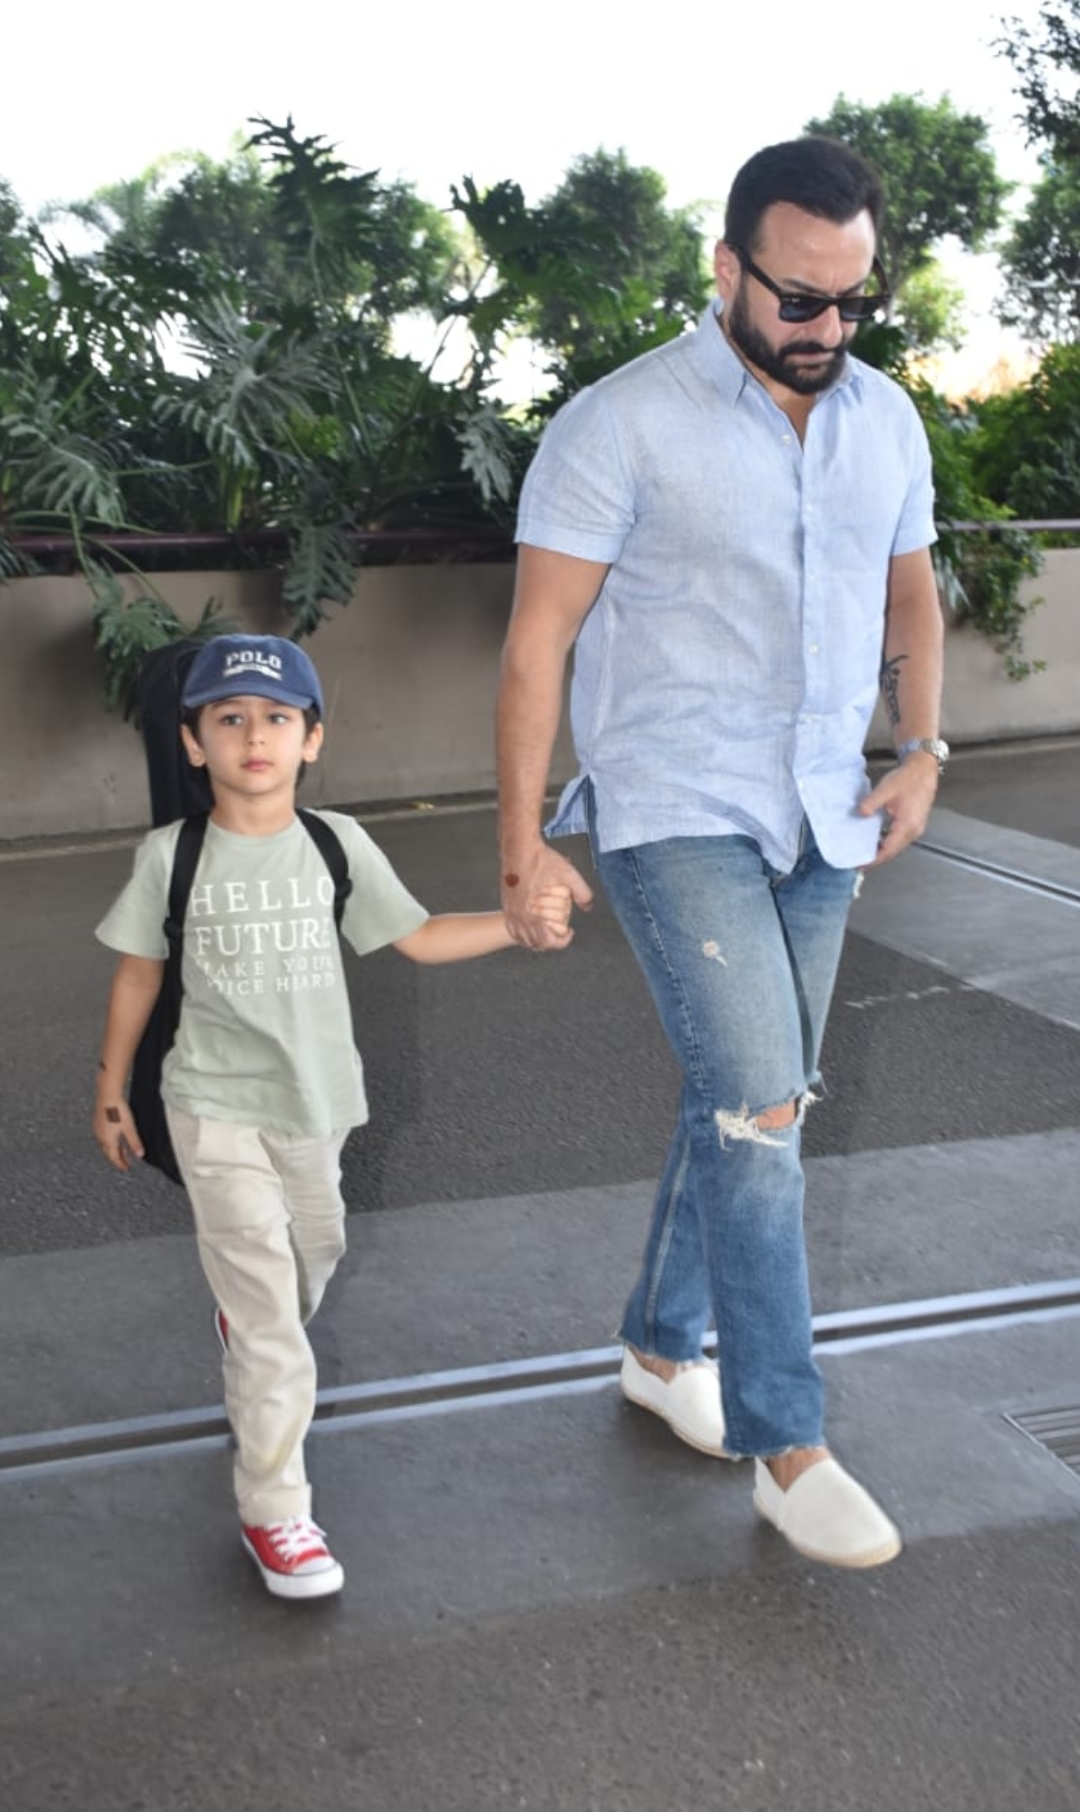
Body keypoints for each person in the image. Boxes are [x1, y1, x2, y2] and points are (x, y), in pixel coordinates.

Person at [496, 136, 946, 1571]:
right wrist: (519, 842)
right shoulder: (617, 424)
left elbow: (913, 599)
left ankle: (654, 1347)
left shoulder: (885, 422)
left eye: (851, 301)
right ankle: (786, 1438)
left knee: (755, 1098)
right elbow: (537, 642)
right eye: (798, 299)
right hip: (671, 804)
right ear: (729, 267)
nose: (825, 329)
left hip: (825, 810)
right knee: (760, 1105)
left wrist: (924, 748)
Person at [93, 633, 570, 1601]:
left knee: (315, 1258)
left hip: (316, 1110)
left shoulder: (335, 846)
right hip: (209, 1106)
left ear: (313, 740)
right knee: (273, 1328)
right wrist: (110, 1085)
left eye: (276, 718)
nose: (253, 736)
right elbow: (139, 973)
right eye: (229, 719)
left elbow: (420, 937)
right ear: (194, 744)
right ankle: (278, 1514)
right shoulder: (171, 857)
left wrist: (513, 924)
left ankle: (254, 1325)